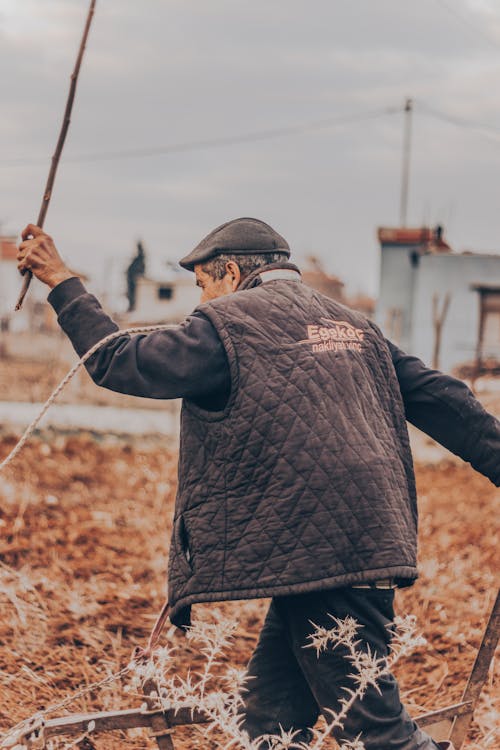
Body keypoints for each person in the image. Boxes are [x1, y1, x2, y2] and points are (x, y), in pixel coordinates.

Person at [17, 218, 500, 750]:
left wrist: (60, 279)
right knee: (270, 719)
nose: (201, 300)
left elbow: (117, 361)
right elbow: (445, 401)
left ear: (229, 271)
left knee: (378, 733)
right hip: (349, 549)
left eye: (203, 284)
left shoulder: (228, 326)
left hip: (320, 558)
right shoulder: (356, 326)